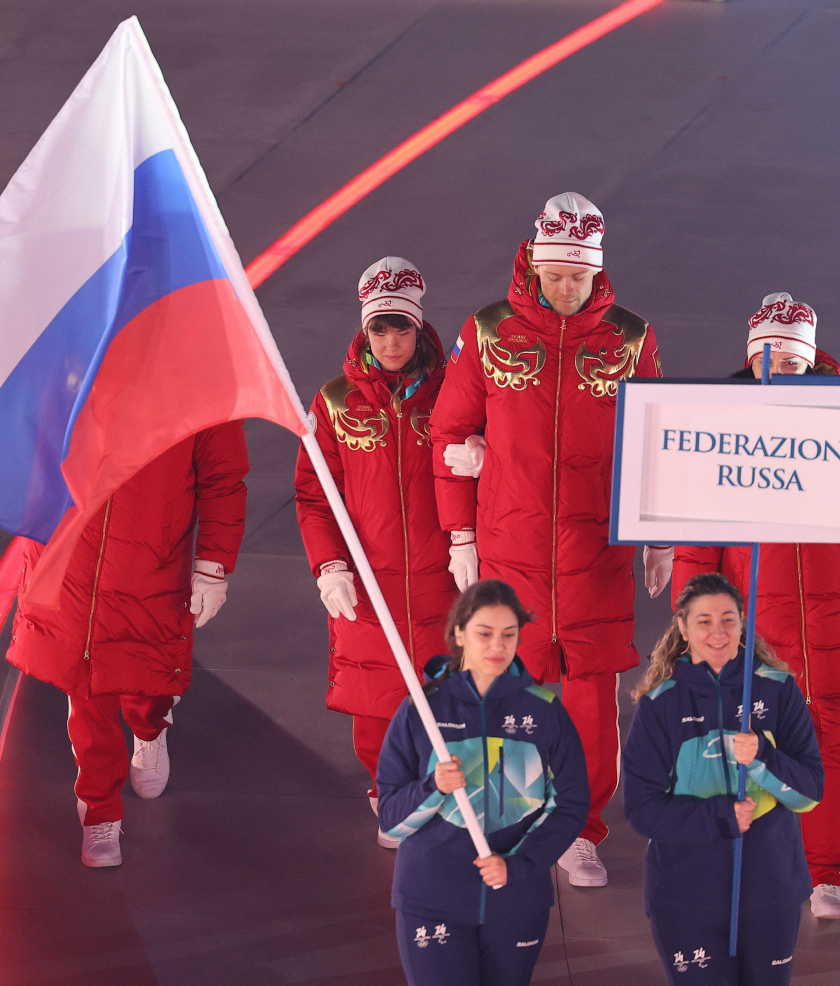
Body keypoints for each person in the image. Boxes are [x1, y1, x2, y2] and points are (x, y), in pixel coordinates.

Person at [0, 216, 249, 868]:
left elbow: (222, 477)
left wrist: (212, 565)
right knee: (87, 696)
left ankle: (152, 729)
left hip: (151, 573)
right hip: (69, 567)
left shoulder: (196, 376)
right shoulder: (66, 351)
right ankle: (99, 810)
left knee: (151, 682)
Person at [429, 192, 668, 886]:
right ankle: (513, 816)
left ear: (599, 273)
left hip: (596, 553)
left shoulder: (631, 339)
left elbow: (656, 441)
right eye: (556, 274)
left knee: (591, 699)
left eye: (580, 278)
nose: (567, 289)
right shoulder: (488, 332)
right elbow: (448, 432)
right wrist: (459, 532)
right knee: (513, 689)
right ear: (534, 262)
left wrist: (658, 536)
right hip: (513, 549)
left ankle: (578, 829)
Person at [672, 292, 840, 918]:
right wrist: (692, 612)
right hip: (759, 622)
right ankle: (752, 868)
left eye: (791, 358)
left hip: (837, 617)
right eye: (767, 357)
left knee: (829, 744)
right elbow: (700, 530)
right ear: (752, 361)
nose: (779, 367)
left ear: (809, 361)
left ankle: (825, 875)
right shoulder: (723, 431)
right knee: (745, 743)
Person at [295, 257, 458, 848]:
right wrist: (329, 565)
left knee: (446, 693)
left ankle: (441, 789)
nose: (391, 342)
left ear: (420, 327)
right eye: (379, 330)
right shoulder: (334, 403)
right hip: (368, 581)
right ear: (365, 331)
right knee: (375, 700)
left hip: (446, 577)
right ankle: (387, 791)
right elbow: (315, 495)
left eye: (402, 328)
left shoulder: (455, 391)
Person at [377, 580, 589, 986]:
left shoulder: (544, 712)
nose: (498, 646)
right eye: (484, 633)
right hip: (431, 896)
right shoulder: (421, 709)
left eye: (509, 635)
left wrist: (518, 864)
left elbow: (570, 804)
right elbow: (390, 819)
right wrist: (432, 787)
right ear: (459, 634)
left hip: (516, 898)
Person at [624, 573, 824, 985]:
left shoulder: (778, 690)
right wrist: (719, 817)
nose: (718, 632)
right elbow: (642, 810)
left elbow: (809, 793)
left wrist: (763, 758)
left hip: (772, 891)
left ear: (742, 622)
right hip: (686, 899)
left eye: (729, 620)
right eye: (704, 621)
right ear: (682, 626)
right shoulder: (660, 704)